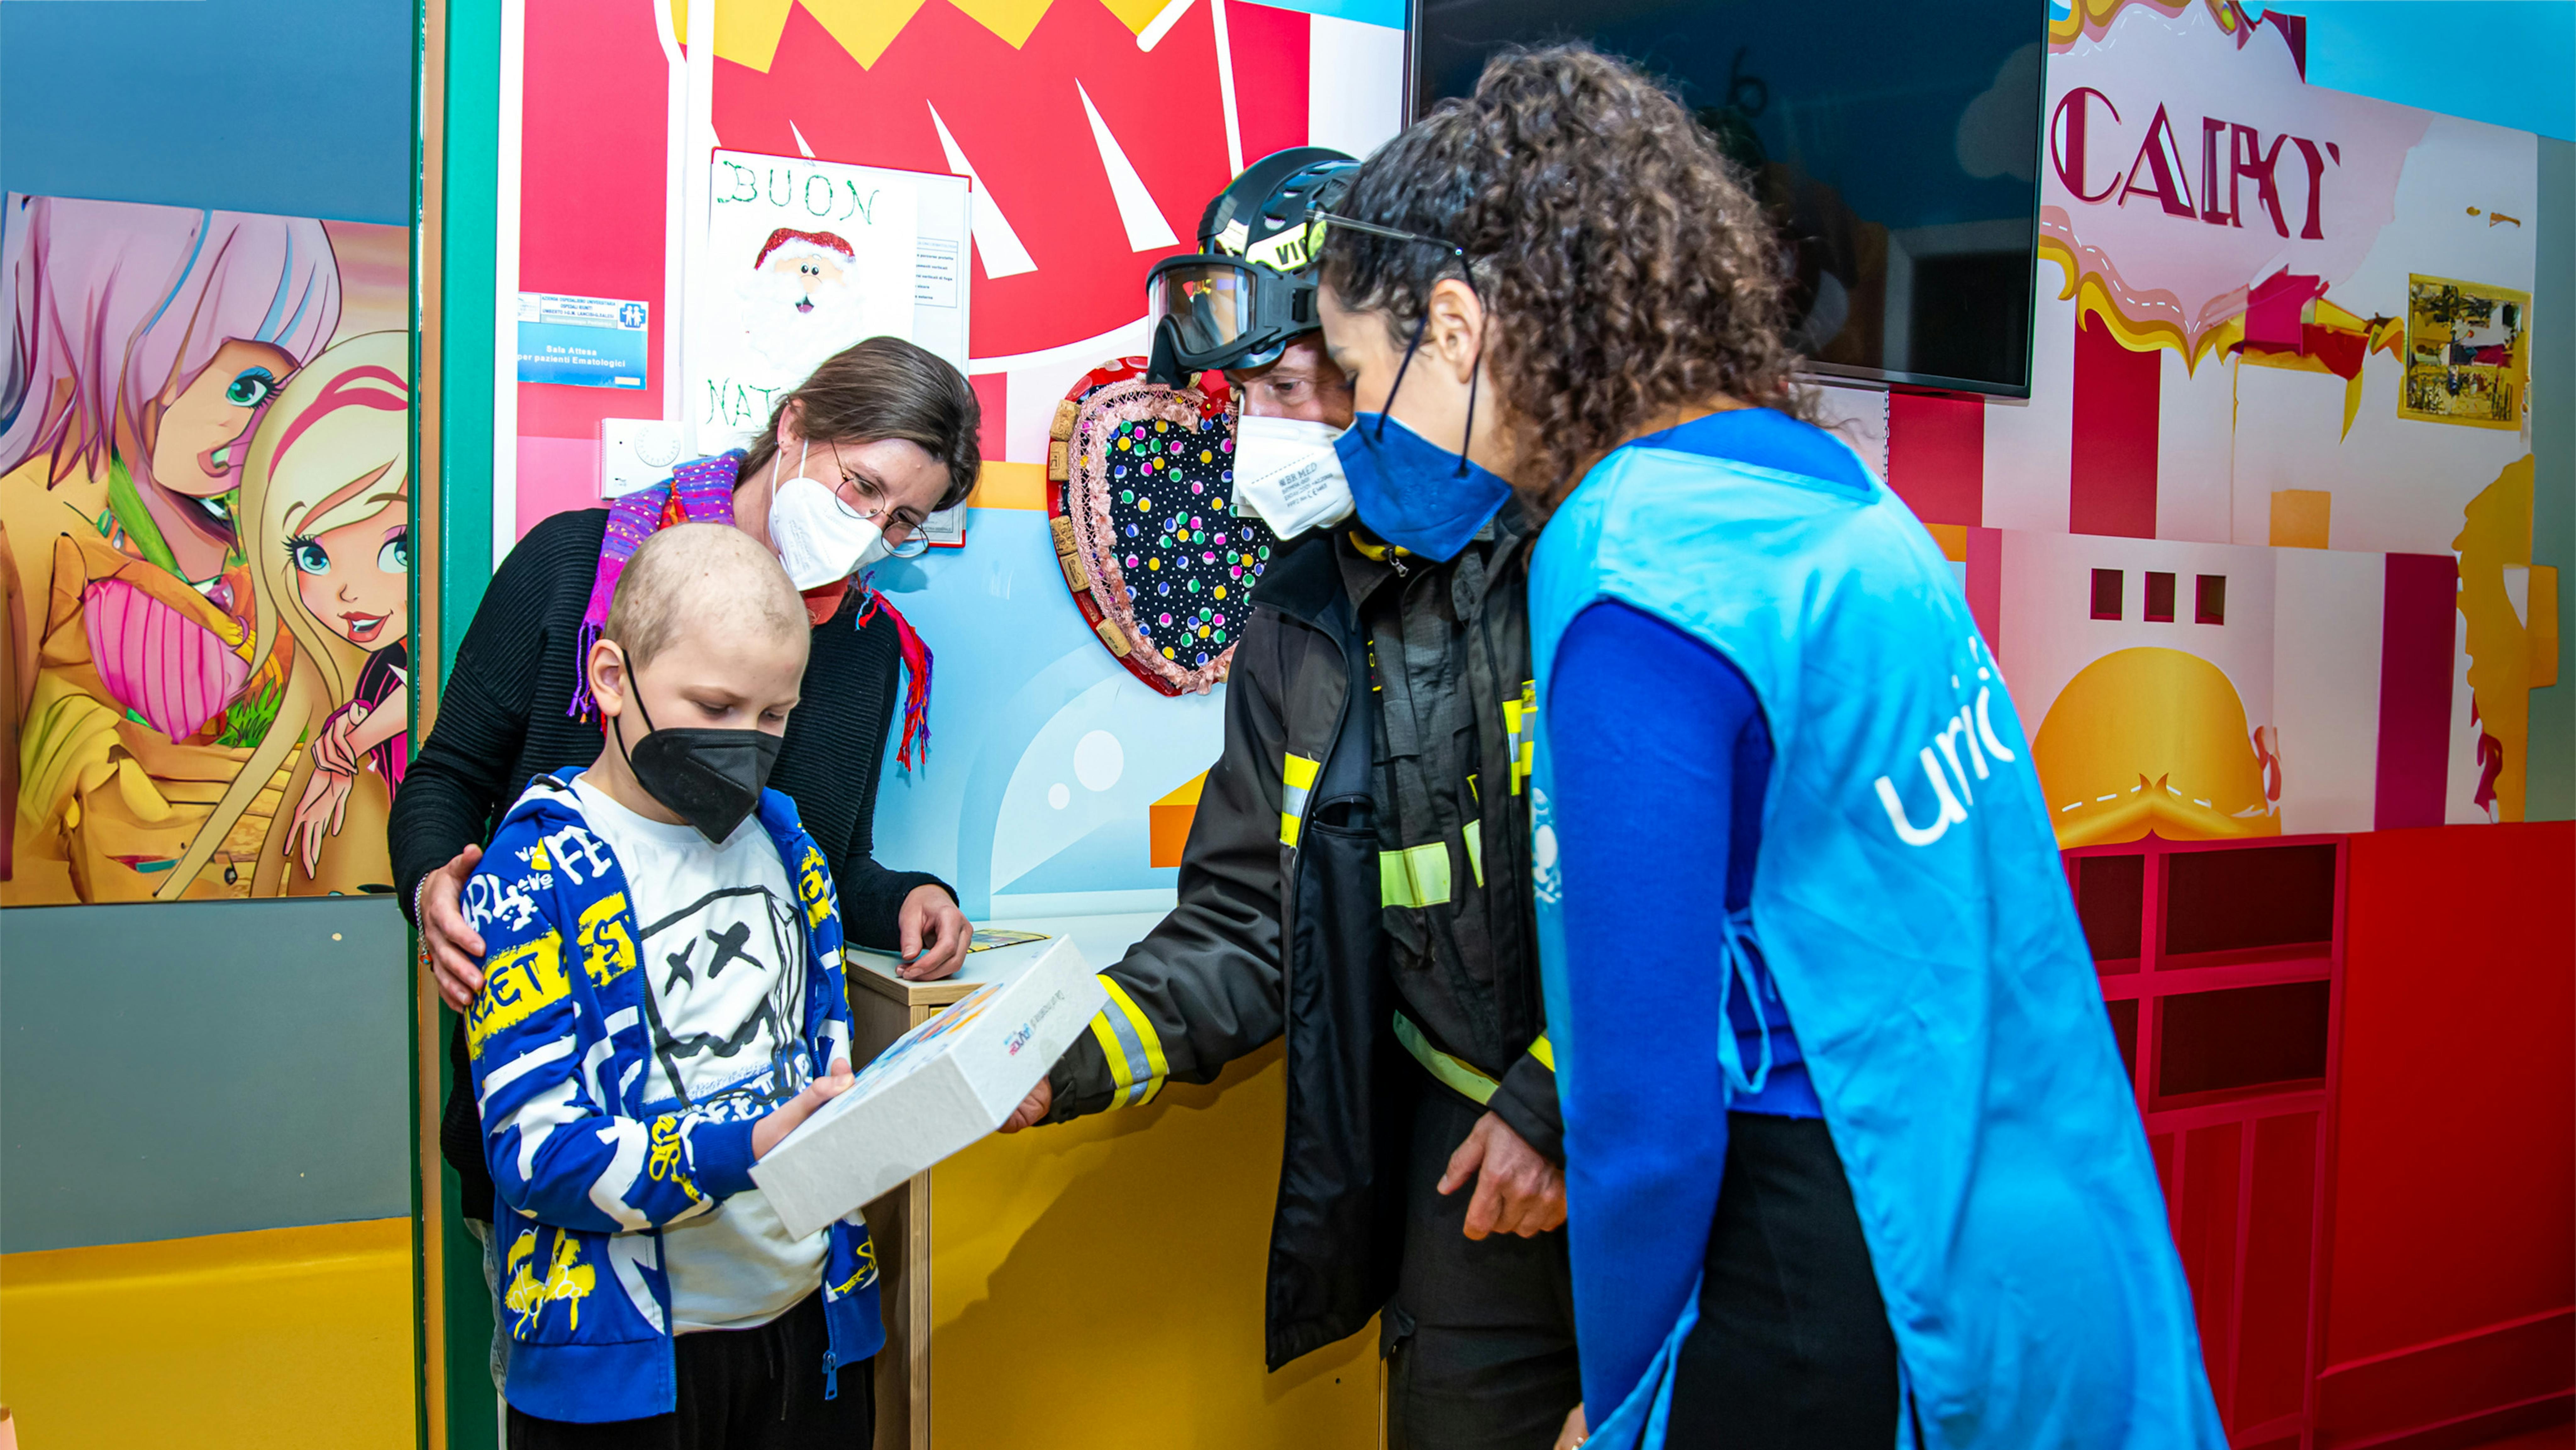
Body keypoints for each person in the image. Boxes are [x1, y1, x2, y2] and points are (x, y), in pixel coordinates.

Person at [1309, 45, 2224, 1449]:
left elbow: (1644, 1104)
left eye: (1356, 375)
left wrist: (1618, 1406)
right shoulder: (1831, 493)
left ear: (1451, 325)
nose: (1355, 426)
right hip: (2027, 1199)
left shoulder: (1625, 566)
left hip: (1827, 1239)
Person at [1008, 149, 1581, 1449]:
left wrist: (1559, 1100)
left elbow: (1691, 884)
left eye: (1312, 375)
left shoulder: (1579, 545)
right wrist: (1068, 1052)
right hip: (1459, 1155)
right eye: (1263, 390)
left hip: (1640, 1114)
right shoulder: (1299, 606)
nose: (1289, 416)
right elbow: (1247, 925)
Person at [396, 336, 982, 1398]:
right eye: (862, 490)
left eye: (903, 522)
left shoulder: (864, 646)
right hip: (583, 1146)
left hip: (773, 1192)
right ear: (796, 426)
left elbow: (826, 866)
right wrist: (436, 882)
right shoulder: (579, 564)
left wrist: (913, 896)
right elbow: (446, 774)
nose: (871, 534)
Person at [464, 522, 878, 1446]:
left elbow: (826, 1051)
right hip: (628, 1367)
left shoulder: (789, 844)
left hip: (810, 1325)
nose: (748, 743)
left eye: (774, 717)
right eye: (716, 705)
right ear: (612, 679)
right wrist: (747, 1146)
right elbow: (537, 1152)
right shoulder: (535, 874)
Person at [0, 195, 343, 899]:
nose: (272, 424)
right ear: (130, 346)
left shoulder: (253, 525)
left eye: (290, 392)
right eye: (249, 387)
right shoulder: (29, 524)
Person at [158, 329, 413, 895]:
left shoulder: (441, 659)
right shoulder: (370, 676)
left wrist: (349, 741)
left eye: (400, 549)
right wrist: (347, 738)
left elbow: (439, 689)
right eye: (314, 556)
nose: (349, 596)